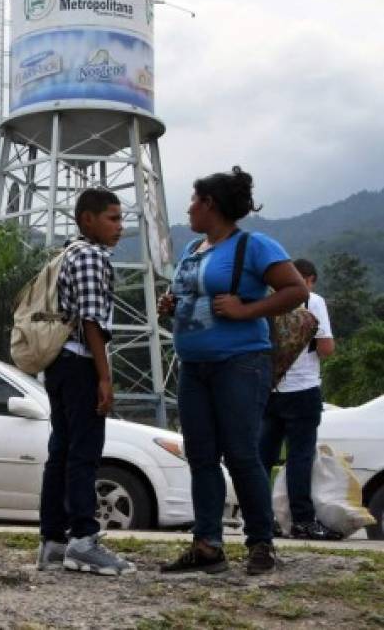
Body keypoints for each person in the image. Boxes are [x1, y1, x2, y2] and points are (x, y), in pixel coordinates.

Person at [158, 167, 308, 575]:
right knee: (202, 456)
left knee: (241, 454)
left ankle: (261, 544)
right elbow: (187, 293)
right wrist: (171, 305)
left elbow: (297, 291)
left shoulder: (254, 245)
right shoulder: (193, 249)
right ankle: (207, 545)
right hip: (194, 366)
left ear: (210, 204)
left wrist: (247, 310)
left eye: (193, 200)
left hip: (240, 363)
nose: (188, 207)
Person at [37, 188, 136, 575]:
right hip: (80, 364)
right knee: (84, 455)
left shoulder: (67, 253)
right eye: (112, 218)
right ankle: (83, 540)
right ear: (87, 219)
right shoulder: (92, 256)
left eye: (120, 219)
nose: (120, 227)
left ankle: (53, 543)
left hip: (58, 365)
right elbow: (92, 321)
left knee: (60, 454)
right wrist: (104, 377)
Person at [260, 258, 341, 540]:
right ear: (310, 280)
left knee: (262, 458)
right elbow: (327, 348)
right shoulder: (312, 300)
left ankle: (260, 520)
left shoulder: (265, 299)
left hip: (268, 390)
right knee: (299, 457)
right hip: (303, 390)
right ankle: (303, 521)